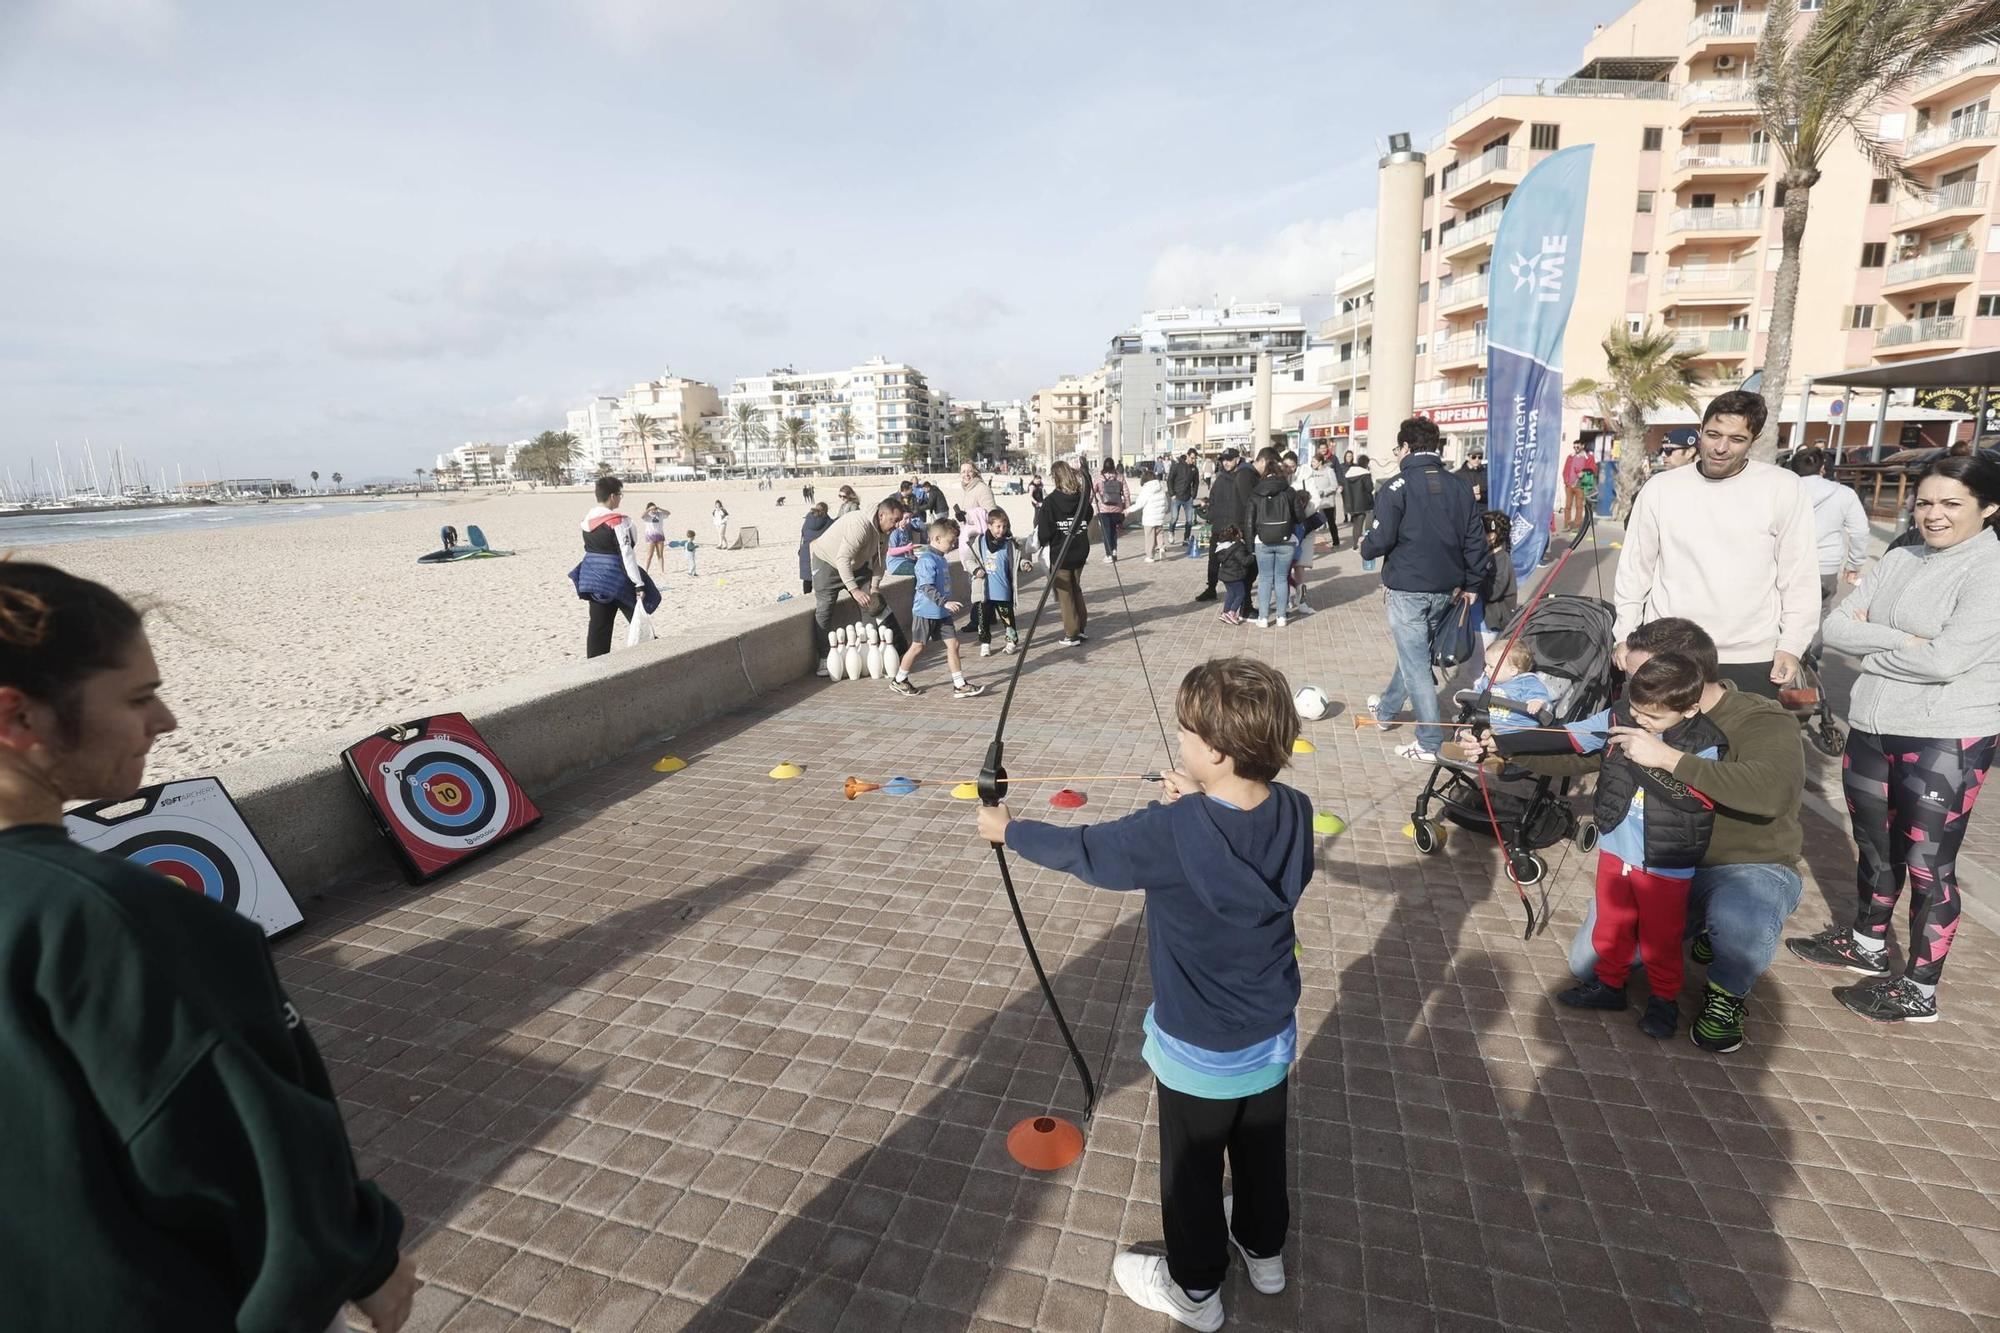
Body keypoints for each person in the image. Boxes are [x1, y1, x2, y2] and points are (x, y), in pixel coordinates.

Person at [0, 563, 418, 1332]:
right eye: (136, 697)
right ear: (18, 719)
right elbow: (255, 1147)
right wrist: (369, 1253)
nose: (166, 720)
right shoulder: (117, 920)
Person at [976, 656, 1310, 1331]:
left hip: (1196, 1048)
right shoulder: (1296, 810)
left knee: (1190, 1175)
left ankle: (1194, 1290)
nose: (1179, 744)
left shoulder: (1170, 833)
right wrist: (1199, 803)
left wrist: (1007, 829)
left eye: (1187, 734)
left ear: (1214, 751)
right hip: (1270, 1036)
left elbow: (1088, 850)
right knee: (1260, 1149)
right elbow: (1234, 830)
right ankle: (1263, 1250)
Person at [1502, 618, 1806, 1054]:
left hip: (1740, 864)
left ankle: (1726, 991)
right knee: (1588, 962)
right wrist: (1505, 749)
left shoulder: (1761, 719)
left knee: (1740, 921)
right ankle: (1687, 937)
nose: (1633, 690)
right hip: (1651, 857)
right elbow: (1577, 752)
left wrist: (1669, 759)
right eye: (1633, 680)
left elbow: (1771, 793)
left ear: (1688, 683)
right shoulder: (1640, 707)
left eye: (1644, 677)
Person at [1792, 455, 2000, 1023]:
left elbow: (1948, 660)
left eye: (1952, 503)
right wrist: (1905, 641)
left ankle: (1920, 989)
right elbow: (1834, 627)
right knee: (1875, 843)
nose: (1934, 515)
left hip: (1947, 734)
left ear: (1989, 508)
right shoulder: (1902, 554)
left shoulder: (1991, 569)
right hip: (1874, 725)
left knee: (1929, 862)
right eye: (1926, 501)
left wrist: (1877, 649)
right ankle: (1867, 942)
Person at [1539, 654, 1728, 1041]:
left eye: (1652, 717)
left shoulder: (1706, 741)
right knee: (1612, 922)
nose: (1640, 720)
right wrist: (1501, 735)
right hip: (1615, 846)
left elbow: (1696, 799)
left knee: (1660, 936)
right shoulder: (1621, 714)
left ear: (1690, 708)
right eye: (1636, 710)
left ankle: (1664, 1000)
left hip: (1664, 860)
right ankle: (1609, 985)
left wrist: (1649, 758)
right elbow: (1569, 737)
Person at [1614, 391, 1819, 699]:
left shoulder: (1783, 488)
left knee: (1741, 748)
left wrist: (1791, 645)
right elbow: (1634, 570)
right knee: (1657, 746)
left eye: (1736, 439)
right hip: (1669, 653)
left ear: (1755, 438)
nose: (1721, 448)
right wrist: (1625, 635)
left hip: (1751, 656)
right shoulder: (1660, 489)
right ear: (1700, 430)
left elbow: (1799, 575)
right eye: (1713, 435)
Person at [1360, 418, 1491, 762]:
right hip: (1449, 588)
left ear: (1405, 448)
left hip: (1408, 588)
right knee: (1414, 655)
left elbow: (1380, 539)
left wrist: (1365, 545)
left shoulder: (1395, 486)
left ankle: (1430, 740)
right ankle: (1388, 711)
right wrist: (1474, 583)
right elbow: (1475, 539)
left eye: (1397, 448)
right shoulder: (1460, 485)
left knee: (1416, 662)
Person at [809, 497, 910, 675]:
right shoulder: (860, 525)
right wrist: (854, 590)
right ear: (881, 515)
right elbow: (842, 559)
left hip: (856, 565)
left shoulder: (885, 532)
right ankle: (825, 657)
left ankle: (870, 650)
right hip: (827, 561)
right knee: (825, 609)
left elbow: (880, 561)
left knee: (870, 603)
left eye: (898, 520)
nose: (896, 525)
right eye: (894, 520)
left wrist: (875, 588)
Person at [892, 519, 985, 699]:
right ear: (936, 538)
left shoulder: (941, 559)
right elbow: (927, 587)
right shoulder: (926, 560)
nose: (953, 546)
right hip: (926, 612)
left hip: (942, 612)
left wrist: (945, 605)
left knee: (954, 644)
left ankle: (959, 685)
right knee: (918, 647)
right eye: (950, 542)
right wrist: (945, 602)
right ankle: (899, 679)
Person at [570, 474, 660, 659]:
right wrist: (638, 583)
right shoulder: (619, 521)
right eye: (620, 494)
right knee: (638, 619)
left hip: (593, 577)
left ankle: (594, 665)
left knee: (598, 627)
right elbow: (626, 553)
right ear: (612, 496)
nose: (620, 498)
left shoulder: (586, 520)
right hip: (616, 578)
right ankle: (655, 658)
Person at [1786, 448, 1869, 623]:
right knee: (1820, 613)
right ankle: (1814, 650)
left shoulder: (1784, 491)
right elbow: (1860, 531)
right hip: (1825, 565)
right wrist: (1854, 563)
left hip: (1788, 563)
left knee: (1783, 611)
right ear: (1822, 468)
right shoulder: (1844, 493)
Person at [1248, 447, 1309, 629]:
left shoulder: (1256, 491)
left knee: (1265, 579)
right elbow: (1300, 517)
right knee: (1282, 578)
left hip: (1263, 541)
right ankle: (1282, 617)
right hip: (1286, 540)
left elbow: (1249, 520)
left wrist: (1250, 544)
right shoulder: (1289, 491)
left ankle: (1264, 618)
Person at [1038, 459, 1093, 646]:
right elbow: (1089, 514)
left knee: (1065, 592)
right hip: (1080, 550)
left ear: (1056, 478)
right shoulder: (1081, 497)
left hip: (1061, 552)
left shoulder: (1051, 501)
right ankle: (1081, 625)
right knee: (1076, 587)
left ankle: (1072, 633)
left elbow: (1044, 531)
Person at [1195, 449, 1255, 602]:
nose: (1226, 462)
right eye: (1223, 460)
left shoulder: (1243, 477)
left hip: (1235, 529)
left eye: (1229, 459)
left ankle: (1241, 595)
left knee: (1237, 563)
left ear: (1237, 459)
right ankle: (1211, 588)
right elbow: (1213, 500)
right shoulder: (1220, 478)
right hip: (1218, 526)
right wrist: (1209, 513)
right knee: (1213, 560)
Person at [970, 508, 1022, 656]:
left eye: (1004, 527)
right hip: (985, 591)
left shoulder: (1009, 544)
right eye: (998, 526)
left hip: (1002, 589)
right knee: (983, 620)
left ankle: (1011, 640)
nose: (1001, 530)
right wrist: (975, 570)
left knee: (1007, 618)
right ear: (989, 525)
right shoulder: (979, 542)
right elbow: (969, 559)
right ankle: (985, 643)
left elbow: (1016, 560)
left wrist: (1023, 564)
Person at [1476, 511, 1517, 647]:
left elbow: (1494, 592)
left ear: (1492, 536)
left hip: (1490, 621)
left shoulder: (1501, 559)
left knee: (1477, 664)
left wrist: (1475, 574)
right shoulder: (1486, 556)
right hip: (1479, 618)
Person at [1214, 526, 1253, 627]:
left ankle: (1225, 612)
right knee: (1240, 594)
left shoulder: (1221, 548)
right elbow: (1244, 561)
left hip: (1225, 575)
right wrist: (1252, 556)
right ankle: (1232, 612)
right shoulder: (1237, 547)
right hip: (1234, 575)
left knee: (1231, 594)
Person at [1132, 463, 1170, 562]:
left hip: (1149, 518)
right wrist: (1164, 511)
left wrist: (1128, 510)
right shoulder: (1160, 487)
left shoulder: (1146, 489)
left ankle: (1150, 556)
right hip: (1159, 517)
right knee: (1159, 533)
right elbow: (1165, 502)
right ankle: (1161, 548)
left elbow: (1139, 503)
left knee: (1149, 537)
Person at [1094, 461, 1129, 565]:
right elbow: (1126, 493)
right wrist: (1127, 508)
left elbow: (1092, 491)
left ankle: (1108, 555)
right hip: (1117, 509)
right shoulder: (1120, 477)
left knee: (1106, 532)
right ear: (1114, 466)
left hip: (1103, 509)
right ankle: (1114, 551)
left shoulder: (1099, 477)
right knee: (1114, 531)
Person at [1561, 439, 1598, 531]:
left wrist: (1584, 472)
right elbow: (1565, 470)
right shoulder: (1570, 457)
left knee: (1579, 506)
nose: (1576, 448)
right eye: (1574, 446)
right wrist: (1566, 481)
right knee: (1568, 506)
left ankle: (1577, 526)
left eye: (1577, 446)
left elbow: (1593, 469)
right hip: (1569, 485)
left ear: (1582, 446)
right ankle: (1567, 524)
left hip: (1580, 486)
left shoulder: (1588, 457)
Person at [1340, 452, 1375, 549]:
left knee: (1356, 525)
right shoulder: (1365, 474)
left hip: (1350, 503)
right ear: (1366, 463)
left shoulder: (1348, 473)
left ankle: (1355, 543)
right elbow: (1370, 488)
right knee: (1359, 526)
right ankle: (1356, 545)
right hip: (1362, 503)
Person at [797, 501, 832, 595]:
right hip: (818, 551)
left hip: (806, 550)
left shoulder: (808, 519)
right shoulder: (828, 522)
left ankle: (806, 596)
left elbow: (803, 533)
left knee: (807, 579)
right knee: (819, 577)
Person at [1167, 449, 1201, 543]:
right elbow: (1170, 480)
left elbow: (1196, 483)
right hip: (1176, 496)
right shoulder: (1177, 465)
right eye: (1192, 458)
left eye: (1195, 459)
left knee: (1189, 520)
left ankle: (1186, 538)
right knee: (1174, 518)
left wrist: (1193, 495)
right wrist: (1172, 494)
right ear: (1187, 455)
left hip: (1188, 498)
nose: (1193, 460)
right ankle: (1171, 532)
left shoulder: (1194, 469)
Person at [640, 501, 670, 575]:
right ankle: (646, 570)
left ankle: (662, 571)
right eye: (653, 508)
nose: (654, 510)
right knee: (649, 555)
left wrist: (659, 508)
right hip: (650, 537)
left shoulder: (660, 514)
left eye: (655, 508)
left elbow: (668, 513)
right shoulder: (647, 516)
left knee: (660, 554)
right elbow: (642, 516)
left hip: (660, 536)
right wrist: (649, 510)